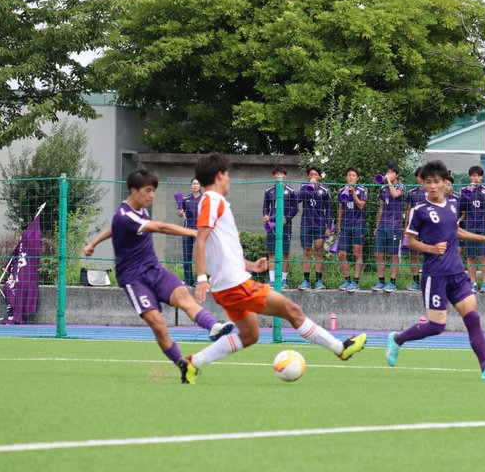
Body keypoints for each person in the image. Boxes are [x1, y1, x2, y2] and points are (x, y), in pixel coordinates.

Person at [187, 153, 367, 384]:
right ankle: (340, 348)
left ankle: (192, 363)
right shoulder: (212, 200)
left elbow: (222, 249)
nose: (229, 179)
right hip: (233, 284)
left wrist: (250, 265)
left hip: (229, 284)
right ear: (219, 175)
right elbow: (200, 240)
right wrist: (202, 278)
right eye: (228, 174)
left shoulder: (214, 202)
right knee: (292, 310)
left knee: (250, 335)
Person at [83, 169, 234, 384]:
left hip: (154, 270)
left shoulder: (135, 212)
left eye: (153, 191)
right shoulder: (125, 216)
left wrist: (93, 243)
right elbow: (160, 227)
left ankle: (213, 326)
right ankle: (182, 364)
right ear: (133, 190)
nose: (152, 195)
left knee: (184, 297)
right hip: (133, 279)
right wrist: (196, 232)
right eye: (147, 191)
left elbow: (114, 228)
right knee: (158, 324)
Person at [385, 160, 485, 382]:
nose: (432, 186)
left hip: (457, 273)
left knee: (473, 317)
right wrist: (431, 248)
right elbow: (410, 241)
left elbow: (456, 231)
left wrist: (484, 238)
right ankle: (397, 339)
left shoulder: (452, 204)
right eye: (428, 182)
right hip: (435, 275)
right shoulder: (419, 210)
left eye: (436, 182)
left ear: (445, 183)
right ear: (424, 184)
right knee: (436, 326)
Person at [458, 166, 485, 294]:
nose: (476, 178)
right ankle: (473, 283)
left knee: (483, 256)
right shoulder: (464, 190)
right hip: (469, 227)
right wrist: (468, 193)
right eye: (473, 176)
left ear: (482, 177)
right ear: (470, 177)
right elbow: (460, 207)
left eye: (478, 176)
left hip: (483, 227)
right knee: (470, 256)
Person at [297, 166, 332, 290]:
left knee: (318, 250)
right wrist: (308, 187)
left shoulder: (325, 190)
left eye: (315, 174)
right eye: (311, 174)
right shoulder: (303, 187)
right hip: (306, 224)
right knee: (307, 251)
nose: (313, 177)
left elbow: (329, 210)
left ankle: (319, 280)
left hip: (319, 224)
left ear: (320, 177)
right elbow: (297, 200)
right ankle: (306, 280)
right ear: (308, 176)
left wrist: (329, 227)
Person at [262, 165, 298, 288]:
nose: (279, 176)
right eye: (277, 174)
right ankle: (272, 280)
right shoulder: (269, 191)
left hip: (285, 225)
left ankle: (283, 280)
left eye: (281, 174)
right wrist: (265, 215)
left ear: (285, 176)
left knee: (285, 253)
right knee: (271, 252)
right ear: (274, 176)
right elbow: (265, 206)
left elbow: (295, 208)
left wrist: (286, 218)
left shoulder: (291, 191)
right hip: (272, 225)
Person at [372, 164, 405, 293]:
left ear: (396, 174)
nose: (388, 174)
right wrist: (377, 225)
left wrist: (389, 182)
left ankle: (392, 282)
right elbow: (381, 207)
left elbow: (395, 194)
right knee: (378, 253)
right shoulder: (383, 188)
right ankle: (381, 281)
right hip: (383, 225)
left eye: (391, 172)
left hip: (394, 225)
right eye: (387, 172)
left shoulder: (401, 186)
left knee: (393, 254)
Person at [336, 167, 368, 293]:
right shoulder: (341, 190)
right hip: (346, 226)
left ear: (357, 178)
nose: (351, 177)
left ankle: (356, 281)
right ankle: (347, 280)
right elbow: (340, 208)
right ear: (346, 177)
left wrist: (353, 192)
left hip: (359, 225)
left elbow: (361, 205)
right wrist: (339, 224)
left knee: (357, 253)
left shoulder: (363, 189)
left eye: (353, 175)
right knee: (341, 254)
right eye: (349, 175)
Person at [404, 167, 426, 291]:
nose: (421, 178)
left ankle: (427, 280)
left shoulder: (432, 192)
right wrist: (406, 227)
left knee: (429, 254)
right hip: (414, 228)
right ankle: (416, 281)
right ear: (417, 178)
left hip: (428, 228)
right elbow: (408, 211)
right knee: (414, 254)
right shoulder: (412, 192)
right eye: (419, 176)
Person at [178, 178, 203, 285]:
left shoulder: (204, 199)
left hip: (200, 232)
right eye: (193, 184)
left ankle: (199, 280)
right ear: (190, 186)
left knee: (200, 257)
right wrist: (180, 212)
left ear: (200, 186)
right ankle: (188, 280)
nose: (195, 185)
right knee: (186, 256)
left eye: (197, 184)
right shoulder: (185, 199)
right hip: (187, 231)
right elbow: (180, 213)